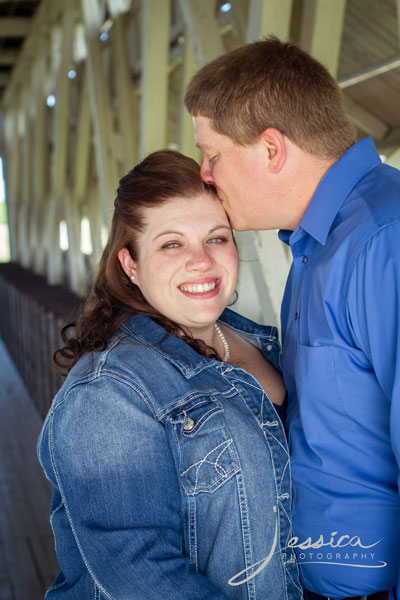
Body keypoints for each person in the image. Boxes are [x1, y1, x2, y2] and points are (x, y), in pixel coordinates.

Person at [184, 37, 400, 600]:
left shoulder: (385, 241)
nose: (205, 175)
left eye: (213, 155)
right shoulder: (318, 244)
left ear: (272, 149)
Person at [37, 150, 302, 600]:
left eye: (216, 238)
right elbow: (139, 571)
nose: (201, 261)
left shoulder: (261, 341)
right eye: (172, 244)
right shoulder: (108, 390)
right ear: (130, 265)